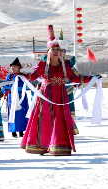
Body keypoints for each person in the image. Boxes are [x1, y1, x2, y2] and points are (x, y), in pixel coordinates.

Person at [20, 25, 91, 156]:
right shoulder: (42, 65)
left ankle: (58, 145)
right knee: (45, 118)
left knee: (60, 119)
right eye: (54, 49)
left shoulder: (65, 65)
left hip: (61, 96)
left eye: (58, 50)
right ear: (48, 51)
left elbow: (75, 78)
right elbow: (33, 76)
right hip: (46, 95)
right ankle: (42, 146)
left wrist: (91, 78)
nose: (57, 52)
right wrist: (22, 74)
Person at [3, 58, 29, 138]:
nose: (12, 68)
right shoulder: (9, 76)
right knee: (13, 113)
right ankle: (13, 131)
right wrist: (6, 90)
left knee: (22, 113)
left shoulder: (22, 76)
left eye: (14, 66)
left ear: (18, 67)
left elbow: (28, 86)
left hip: (21, 97)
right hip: (12, 97)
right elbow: (5, 86)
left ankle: (21, 131)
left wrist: (20, 88)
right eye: (11, 67)